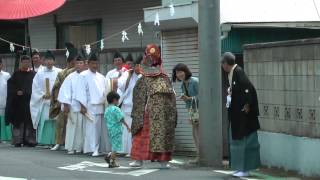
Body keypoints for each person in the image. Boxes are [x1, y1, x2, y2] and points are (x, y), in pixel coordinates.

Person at [130, 44, 177, 168]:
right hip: (147, 111)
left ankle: (163, 160)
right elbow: (139, 95)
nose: (151, 60)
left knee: (162, 134)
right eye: (148, 57)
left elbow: (171, 96)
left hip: (162, 113)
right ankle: (138, 159)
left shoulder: (164, 76)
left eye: (153, 57)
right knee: (141, 135)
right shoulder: (143, 75)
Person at [221, 52, 261, 177]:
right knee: (237, 142)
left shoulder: (238, 71)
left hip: (244, 116)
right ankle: (240, 168)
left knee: (245, 142)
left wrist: (248, 104)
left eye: (222, 64)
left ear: (226, 64)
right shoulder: (233, 73)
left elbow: (249, 89)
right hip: (238, 115)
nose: (222, 67)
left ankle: (245, 169)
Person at [76, 53, 110, 156]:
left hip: (101, 105)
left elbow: (105, 91)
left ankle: (99, 148)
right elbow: (81, 91)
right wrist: (82, 105)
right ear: (88, 63)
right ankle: (92, 148)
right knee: (92, 128)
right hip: (89, 105)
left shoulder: (101, 77)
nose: (95, 65)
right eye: (92, 63)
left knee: (100, 129)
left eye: (96, 63)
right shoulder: (83, 75)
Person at [30, 51, 61, 147]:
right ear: (44, 61)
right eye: (47, 60)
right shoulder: (40, 73)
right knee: (46, 120)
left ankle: (56, 141)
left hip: (56, 101)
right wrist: (42, 94)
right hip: (44, 100)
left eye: (51, 60)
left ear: (54, 61)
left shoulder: (59, 72)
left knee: (56, 121)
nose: (49, 62)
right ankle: (45, 141)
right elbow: (35, 87)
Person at [49, 43, 77, 151]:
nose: (75, 63)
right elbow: (56, 87)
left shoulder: (80, 72)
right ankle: (58, 142)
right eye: (74, 61)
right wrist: (58, 100)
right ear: (70, 62)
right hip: (64, 99)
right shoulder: (61, 73)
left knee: (73, 123)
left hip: (75, 101)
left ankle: (70, 143)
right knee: (60, 123)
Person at [58, 54, 86, 154]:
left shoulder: (86, 75)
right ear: (74, 64)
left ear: (84, 64)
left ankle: (80, 147)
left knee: (81, 127)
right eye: (77, 63)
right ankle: (71, 147)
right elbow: (65, 91)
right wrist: (65, 104)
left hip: (84, 106)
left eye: (81, 63)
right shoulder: (70, 77)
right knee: (72, 126)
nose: (79, 65)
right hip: (73, 105)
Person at [5, 55, 36, 147]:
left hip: (30, 102)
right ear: (21, 63)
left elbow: (37, 87)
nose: (26, 64)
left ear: (30, 63)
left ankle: (30, 140)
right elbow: (10, 86)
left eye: (27, 62)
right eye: (24, 62)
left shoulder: (34, 74)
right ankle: (17, 140)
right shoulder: (16, 74)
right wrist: (16, 92)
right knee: (18, 122)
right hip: (18, 102)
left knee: (30, 121)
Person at [172, 63, 199, 163]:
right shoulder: (183, 84)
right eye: (177, 73)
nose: (179, 74)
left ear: (185, 71)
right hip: (192, 111)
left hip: (200, 110)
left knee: (198, 132)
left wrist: (188, 98)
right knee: (195, 132)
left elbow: (203, 96)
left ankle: (200, 156)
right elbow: (189, 100)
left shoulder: (195, 81)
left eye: (180, 72)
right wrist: (185, 99)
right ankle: (199, 155)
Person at [117, 55, 142, 156]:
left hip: (138, 107)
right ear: (134, 66)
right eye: (137, 66)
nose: (139, 68)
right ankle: (124, 150)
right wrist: (128, 76)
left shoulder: (144, 76)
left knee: (135, 130)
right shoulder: (128, 73)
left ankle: (134, 150)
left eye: (141, 66)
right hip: (127, 105)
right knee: (126, 129)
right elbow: (120, 86)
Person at [104, 91, 131, 168]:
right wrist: (127, 126)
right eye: (118, 100)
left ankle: (109, 156)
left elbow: (106, 118)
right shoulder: (116, 109)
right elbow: (121, 119)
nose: (118, 102)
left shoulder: (107, 109)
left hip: (110, 129)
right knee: (116, 147)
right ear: (114, 100)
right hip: (117, 129)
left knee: (114, 145)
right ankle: (112, 162)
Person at [0, 58, 11, 142]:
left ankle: (5, 138)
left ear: (2, 65)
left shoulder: (6, 75)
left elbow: (10, 89)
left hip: (4, 102)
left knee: (4, 121)